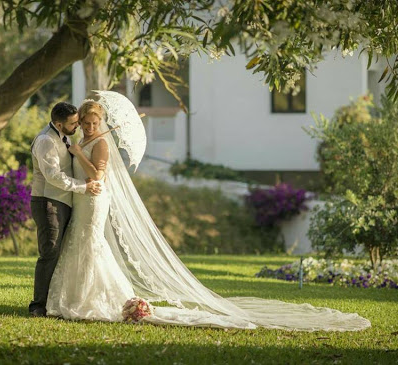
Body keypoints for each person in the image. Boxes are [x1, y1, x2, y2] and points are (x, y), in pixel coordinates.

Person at [46, 99, 371, 331]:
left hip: (95, 199)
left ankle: (95, 299)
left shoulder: (99, 146)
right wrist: (77, 149)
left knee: (92, 245)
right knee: (83, 244)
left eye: (93, 123)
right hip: (84, 201)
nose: (89, 127)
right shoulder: (86, 140)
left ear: (100, 123)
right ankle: (75, 296)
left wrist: (79, 154)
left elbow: (97, 178)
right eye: (85, 124)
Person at [29, 102, 102, 317]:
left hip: (64, 201)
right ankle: (37, 306)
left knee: (59, 252)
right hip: (47, 201)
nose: (78, 126)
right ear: (59, 124)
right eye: (73, 123)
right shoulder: (45, 141)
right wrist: (83, 187)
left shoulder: (66, 138)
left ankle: (53, 302)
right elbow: (53, 176)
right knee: (49, 252)